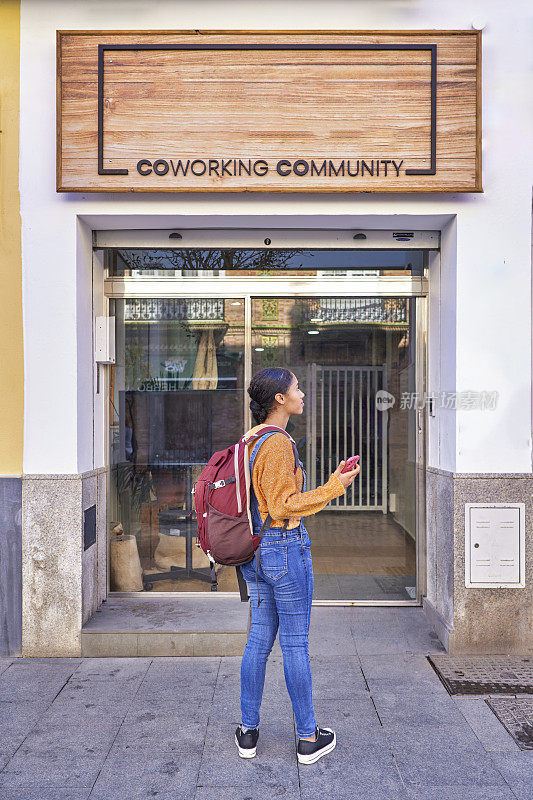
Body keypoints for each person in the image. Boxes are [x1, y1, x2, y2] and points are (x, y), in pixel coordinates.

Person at [235, 367, 359, 764]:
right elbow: (283, 506)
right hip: (283, 549)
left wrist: (326, 481)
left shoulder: (250, 439)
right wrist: (333, 488)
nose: (302, 394)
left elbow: (266, 500)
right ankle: (308, 737)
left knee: (258, 642)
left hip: (256, 553)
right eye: (296, 389)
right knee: (294, 643)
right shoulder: (277, 444)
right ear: (279, 400)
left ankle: (248, 732)